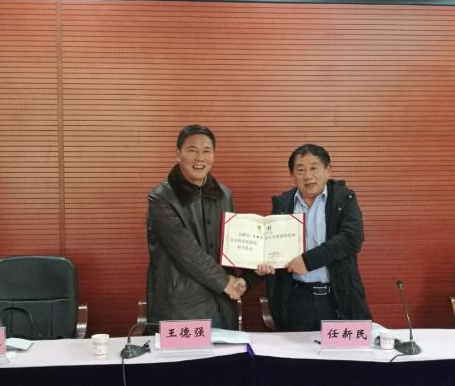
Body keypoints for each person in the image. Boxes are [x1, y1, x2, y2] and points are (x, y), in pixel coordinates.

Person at [146, 125, 246, 329]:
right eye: (192, 150)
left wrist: (255, 270)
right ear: (178, 154)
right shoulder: (161, 198)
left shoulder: (223, 194)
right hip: (181, 309)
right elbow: (186, 251)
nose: (200, 158)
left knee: (223, 351)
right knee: (187, 353)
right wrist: (225, 282)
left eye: (206, 151)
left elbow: (233, 245)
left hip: (222, 303)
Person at [261, 144, 370, 331]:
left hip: (337, 296)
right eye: (300, 170)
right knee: (295, 349)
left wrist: (308, 261)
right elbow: (273, 245)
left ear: (328, 170)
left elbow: (352, 239)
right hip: (296, 298)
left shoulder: (344, 199)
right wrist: (265, 262)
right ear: (292, 175)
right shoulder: (282, 203)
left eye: (314, 168)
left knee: (341, 349)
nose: (308, 176)